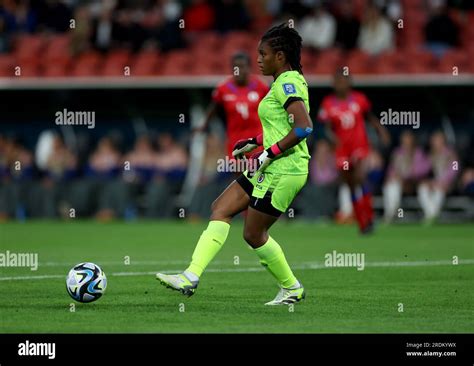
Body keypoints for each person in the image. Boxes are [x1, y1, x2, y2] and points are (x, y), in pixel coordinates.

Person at [157, 23, 313, 305]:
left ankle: (292, 288)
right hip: (270, 164)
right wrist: (254, 141)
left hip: (285, 169)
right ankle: (190, 276)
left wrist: (267, 153)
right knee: (221, 207)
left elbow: (303, 128)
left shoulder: (288, 83)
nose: (258, 60)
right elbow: (282, 126)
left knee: (253, 234)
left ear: (280, 56)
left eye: (263, 54)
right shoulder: (280, 83)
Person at [318, 69, 390, 233]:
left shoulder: (359, 99)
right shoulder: (328, 103)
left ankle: (369, 219)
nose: (340, 84)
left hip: (359, 147)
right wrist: (332, 138)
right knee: (350, 185)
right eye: (337, 81)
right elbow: (326, 128)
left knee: (361, 179)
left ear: (349, 83)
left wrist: (381, 131)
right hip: (341, 150)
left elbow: (370, 117)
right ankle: (361, 221)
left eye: (343, 81)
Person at [194, 51, 269, 160]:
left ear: (249, 68)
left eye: (242, 67)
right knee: (239, 173)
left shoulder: (261, 86)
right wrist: (204, 124)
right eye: (235, 67)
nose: (239, 71)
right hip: (235, 139)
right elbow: (214, 107)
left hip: (257, 139)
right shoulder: (223, 88)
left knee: (257, 173)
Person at [383, 130, 430, 222]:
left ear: (413, 141)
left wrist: (408, 176)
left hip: (415, 183)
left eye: (408, 140)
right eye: (404, 141)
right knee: (391, 185)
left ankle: (430, 215)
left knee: (425, 188)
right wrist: (394, 176)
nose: (406, 143)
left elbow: (425, 169)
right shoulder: (397, 153)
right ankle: (391, 214)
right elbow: (391, 169)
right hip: (400, 183)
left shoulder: (419, 153)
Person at [417, 131, 458, 222]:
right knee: (423, 187)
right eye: (434, 140)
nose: (436, 143)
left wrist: (444, 181)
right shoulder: (430, 154)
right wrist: (427, 159)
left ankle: (432, 215)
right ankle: (431, 214)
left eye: (439, 140)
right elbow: (422, 170)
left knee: (439, 189)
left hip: (449, 183)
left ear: (444, 141)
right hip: (434, 181)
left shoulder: (451, 154)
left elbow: (455, 169)